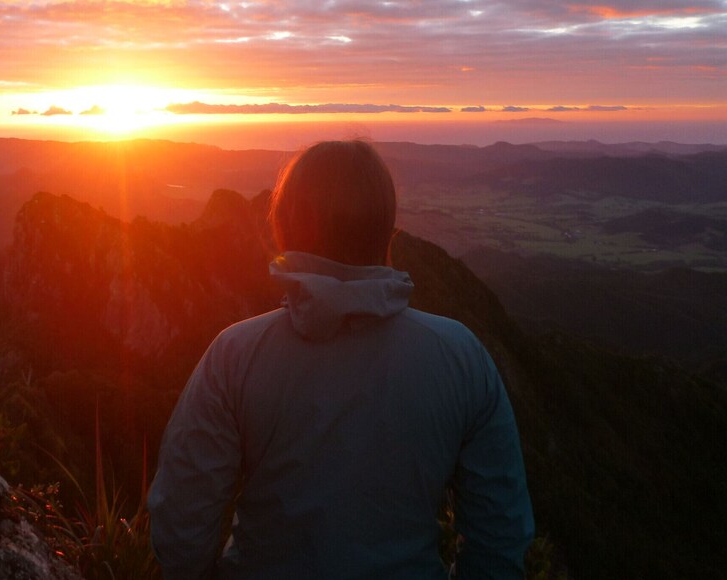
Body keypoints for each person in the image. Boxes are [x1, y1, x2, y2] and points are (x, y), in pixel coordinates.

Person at [148, 140, 534, 579]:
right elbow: (500, 538)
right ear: (387, 231)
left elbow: (181, 528)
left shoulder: (235, 357)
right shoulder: (462, 357)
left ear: (285, 229)